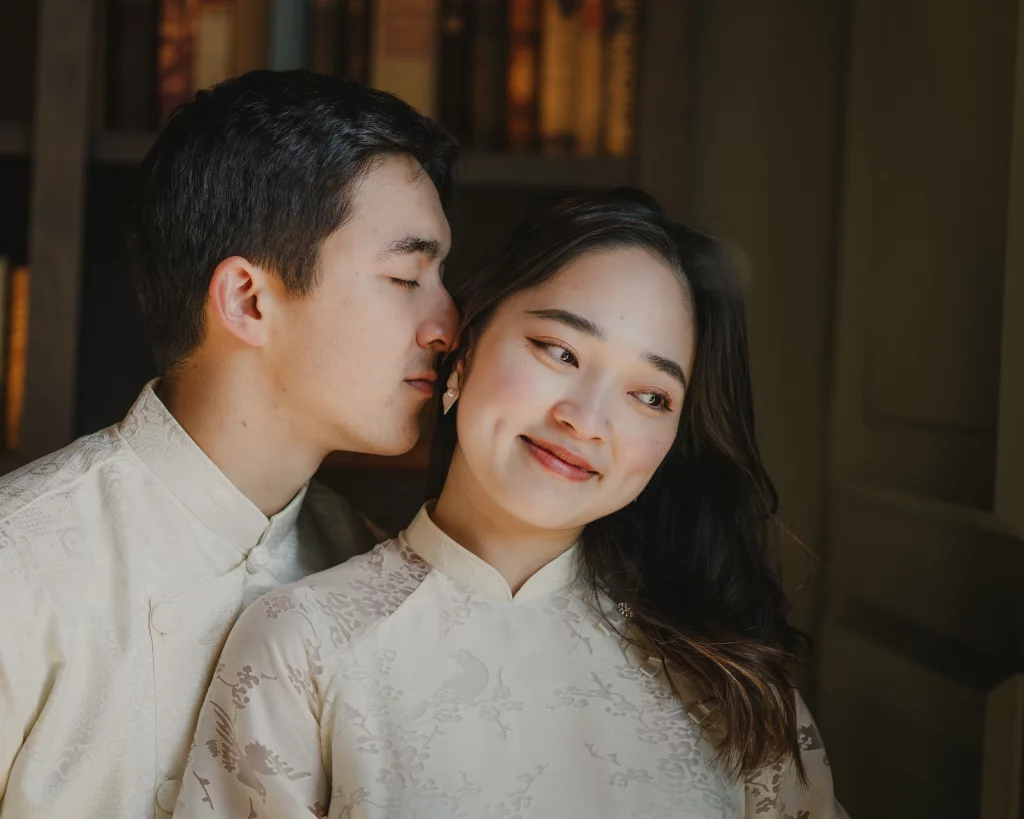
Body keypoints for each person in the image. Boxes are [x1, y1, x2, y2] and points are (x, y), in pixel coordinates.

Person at [174, 189, 846, 818]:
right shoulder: (303, 648)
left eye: (651, 396)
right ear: (463, 350)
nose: (587, 419)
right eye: (559, 350)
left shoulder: (733, 681)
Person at [0, 70, 459, 819]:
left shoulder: (378, 574)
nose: (448, 324)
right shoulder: (17, 568)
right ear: (248, 299)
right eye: (408, 275)